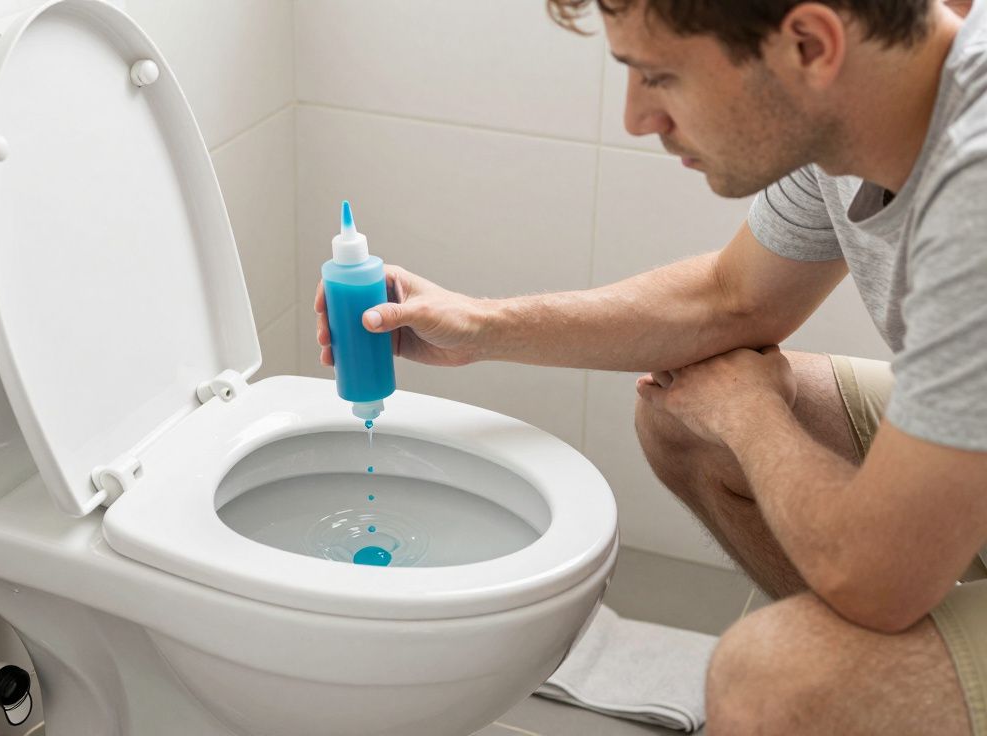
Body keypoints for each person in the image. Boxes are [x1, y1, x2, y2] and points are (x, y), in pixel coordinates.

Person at [313, 0, 987, 733]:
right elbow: (731, 299)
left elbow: (877, 580)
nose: (637, 118)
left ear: (809, 45)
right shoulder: (857, 106)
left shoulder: (975, 180)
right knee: (685, 422)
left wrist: (750, 413)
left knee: (771, 687)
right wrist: (477, 326)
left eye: (659, 76)